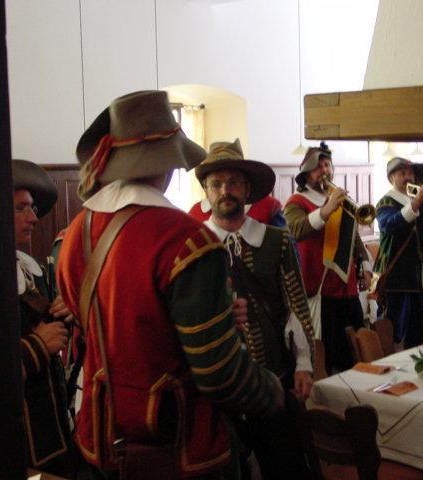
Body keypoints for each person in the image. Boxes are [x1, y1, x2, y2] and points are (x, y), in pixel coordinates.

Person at [56, 90, 283, 479]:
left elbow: (103, 322)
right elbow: (218, 372)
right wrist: (273, 392)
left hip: (101, 440)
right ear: (169, 165)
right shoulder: (187, 240)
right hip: (178, 448)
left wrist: (212, 318)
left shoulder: (77, 232)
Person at [196, 138, 314, 480]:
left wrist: (304, 364)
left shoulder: (277, 241)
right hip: (219, 388)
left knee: (286, 466)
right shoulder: (195, 245)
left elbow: (296, 305)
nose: (225, 190)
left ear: (247, 189)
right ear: (206, 190)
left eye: (233, 182)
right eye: (216, 184)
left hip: (272, 380)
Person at [284, 143, 372, 373]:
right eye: (318, 167)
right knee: (331, 353)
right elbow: (295, 230)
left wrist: (365, 264)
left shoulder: (336, 197)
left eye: (327, 165)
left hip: (347, 284)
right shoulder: (296, 202)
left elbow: (352, 237)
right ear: (306, 174)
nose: (324, 171)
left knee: (356, 349)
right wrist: (325, 210)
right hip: (321, 289)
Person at [12, 159, 74, 476]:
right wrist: (37, 345)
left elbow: (48, 328)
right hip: (15, 442)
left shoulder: (30, 268)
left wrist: (66, 313)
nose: (33, 218)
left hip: (52, 431)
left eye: (33, 208)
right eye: (22, 208)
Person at [373, 157, 423, 348]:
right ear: (392, 177)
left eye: (411, 174)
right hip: (396, 279)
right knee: (394, 332)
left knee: (420, 333)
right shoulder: (385, 201)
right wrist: (414, 205)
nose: (408, 177)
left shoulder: (421, 201)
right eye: (402, 173)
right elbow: (390, 225)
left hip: (421, 279)